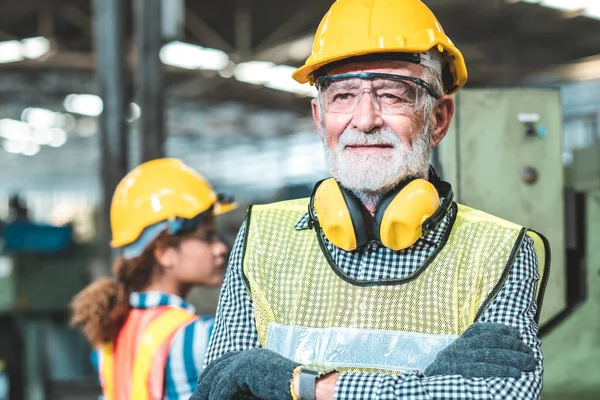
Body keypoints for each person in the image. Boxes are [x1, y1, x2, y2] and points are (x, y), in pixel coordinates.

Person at [191, 0, 551, 399]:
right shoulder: (262, 237)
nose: (364, 120)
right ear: (319, 117)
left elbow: (501, 394)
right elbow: (218, 391)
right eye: (343, 95)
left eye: (393, 95)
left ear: (439, 119)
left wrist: (307, 386)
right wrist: (430, 386)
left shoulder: (500, 251)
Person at [70, 158, 235, 400]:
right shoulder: (201, 337)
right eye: (207, 237)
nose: (220, 248)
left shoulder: (108, 336)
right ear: (164, 252)